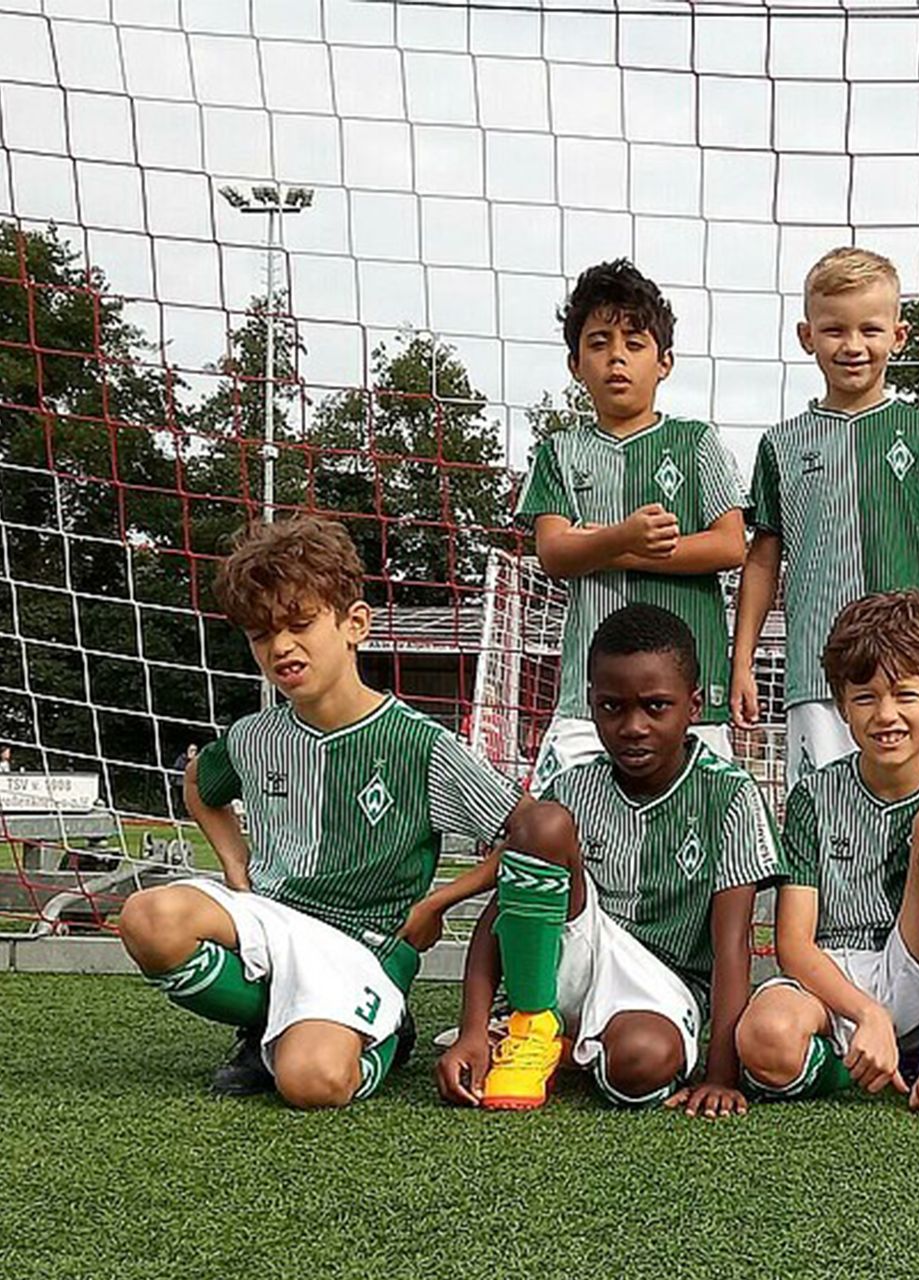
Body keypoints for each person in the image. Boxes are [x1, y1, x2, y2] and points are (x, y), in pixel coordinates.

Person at [117, 517, 521, 1106]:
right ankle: (268, 1027)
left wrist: (438, 903)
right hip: (273, 923)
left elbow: (526, 832)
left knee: (312, 1084)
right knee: (147, 919)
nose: (281, 647)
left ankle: (380, 1028)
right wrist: (235, 866)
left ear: (354, 624)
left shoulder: (420, 745)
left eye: (300, 624)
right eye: (261, 635)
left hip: (366, 947)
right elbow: (201, 782)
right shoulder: (255, 737)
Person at [436, 604, 779, 1115]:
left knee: (642, 1062)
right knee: (543, 823)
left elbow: (732, 947)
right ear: (592, 704)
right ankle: (530, 1025)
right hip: (578, 952)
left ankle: (574, 1047)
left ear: (694, 706)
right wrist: (468, 1029)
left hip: (665, 984)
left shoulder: (729, 795)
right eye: (612, 707)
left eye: (656, 706)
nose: (633, 726)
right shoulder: (573, 786)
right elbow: (501, 912)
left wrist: (722, 1075)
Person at [733, 592, 919, 1114]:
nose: (886, 714)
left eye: (904, 694)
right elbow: (794, 943)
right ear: (842, 703)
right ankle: (863, 1063)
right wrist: (867, 1013)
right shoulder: (814, 797)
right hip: (836, 981)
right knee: (765, 1037)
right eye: (866, 697)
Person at [730, 247, 919, 791]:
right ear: (807, 337)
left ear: (898, 336)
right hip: (817, 678)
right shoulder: (781, 444)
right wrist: (743, 660)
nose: (852, 346)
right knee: (823, 819)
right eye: (834, 331)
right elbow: (762, 561)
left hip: (911, 676)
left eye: (870, 330)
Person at [516, 259, 747, 792]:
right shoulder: (560, 452)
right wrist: (621, 537)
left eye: (634, 343)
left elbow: (729, 544)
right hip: (587, 698)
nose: (616, 357)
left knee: (705, 825)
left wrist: (606, 544)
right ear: (575, 364)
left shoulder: (697, 443)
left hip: (692, 699)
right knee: (554, 828)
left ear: (664, 362)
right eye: (599, 343)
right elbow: (553, 553)